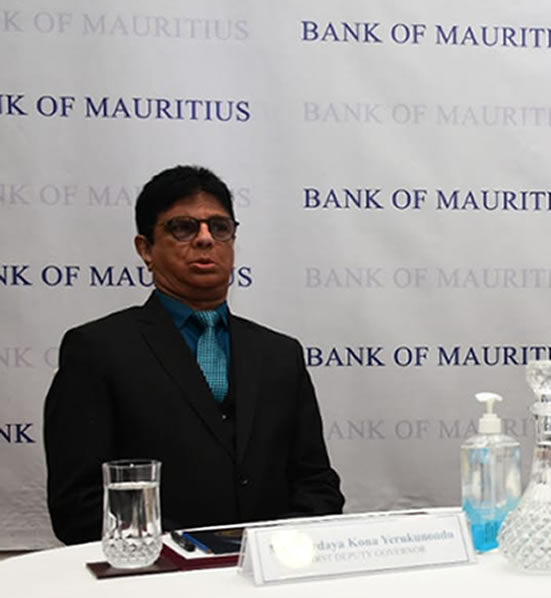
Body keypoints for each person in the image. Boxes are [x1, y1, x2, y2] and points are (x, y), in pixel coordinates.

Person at [44, 165, 344, 544]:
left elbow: (316, 483)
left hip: (270, 568)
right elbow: (79, 504)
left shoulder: (280, 353)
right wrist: (192, 550)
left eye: (219, 228)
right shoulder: (98, 350)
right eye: (183, 228)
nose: (205, 239)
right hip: (159, 572)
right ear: (145, 248)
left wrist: (275, 547)